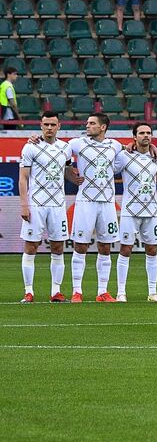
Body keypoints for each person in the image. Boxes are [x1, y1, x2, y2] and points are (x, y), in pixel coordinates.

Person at [64, 114, 127, 302]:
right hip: (86, 202)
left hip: (107, 202)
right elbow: (58, 154)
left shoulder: (114, 145)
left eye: (92, 123)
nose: (87, 125)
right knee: (80, 245)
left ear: (103, 127)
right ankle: (77, 291)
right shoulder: (77, 143)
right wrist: (70, 173)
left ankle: (102, 292)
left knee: (105, 247)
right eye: (87, 123)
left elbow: (128, 151)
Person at [18, 112, 68, 302]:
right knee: (31, 246)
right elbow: (23, 177)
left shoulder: (66, 148)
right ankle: (28, 291)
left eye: (52, 125)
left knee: (58, 246)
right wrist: (24, 204)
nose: (49, 128)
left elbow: (68, 170)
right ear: (41, 125)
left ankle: (56, 291)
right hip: (36, 204)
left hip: (58, 204)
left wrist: (76, 178)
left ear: (59, 126)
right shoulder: (31, 147)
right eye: (46, 124)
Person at [116, 125, 157, 302]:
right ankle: (121, 292)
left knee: (152, 249)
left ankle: (152, 292)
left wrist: (155, 148)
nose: (146, 136)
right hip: (130, 210)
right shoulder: (124, 156)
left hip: (151, 210)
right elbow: (110, 165)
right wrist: (124, 146)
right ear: (134, 136)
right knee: (126, 249)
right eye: (141, 133)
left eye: (148, 133)